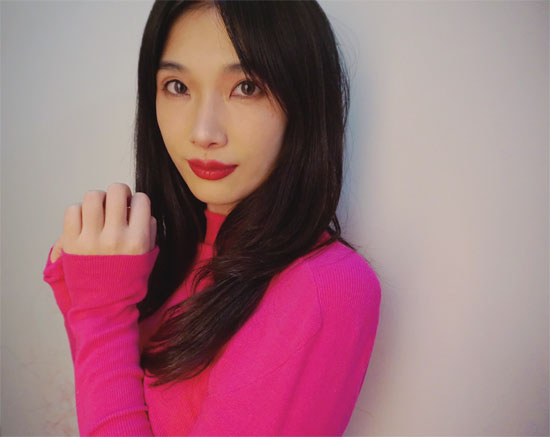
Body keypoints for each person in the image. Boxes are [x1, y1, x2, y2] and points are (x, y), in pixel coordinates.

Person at [42, 0, 382, 435]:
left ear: (304, 101)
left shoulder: (324, 288)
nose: (203, 132)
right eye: (177, 86)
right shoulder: (161, 259)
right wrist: (94, 295)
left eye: (246, 87)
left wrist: (100, 312)